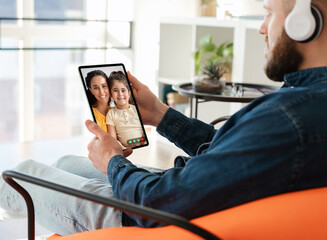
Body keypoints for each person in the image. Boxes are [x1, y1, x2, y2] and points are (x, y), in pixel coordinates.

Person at [1, 0, 327, 235]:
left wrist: (114, 160)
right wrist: (159, 114)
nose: (261, 27)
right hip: (194, 195)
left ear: (305, 20)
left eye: (268, 13)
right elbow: (240, 153)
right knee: (65, 163)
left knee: (18, 173)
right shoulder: (304, 106)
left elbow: (157, 200)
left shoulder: (289, 115)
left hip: (155, 216)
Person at [106, 71, 145, 147]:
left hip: (142, 146)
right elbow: (113, 140)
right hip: (125, 150)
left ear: (129, 93)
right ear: (111, 94)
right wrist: (123, 149)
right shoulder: (111, 114)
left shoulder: (137, 110)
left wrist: (143, 142)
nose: (120, 94)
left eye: (123, 90)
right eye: (115, 90)